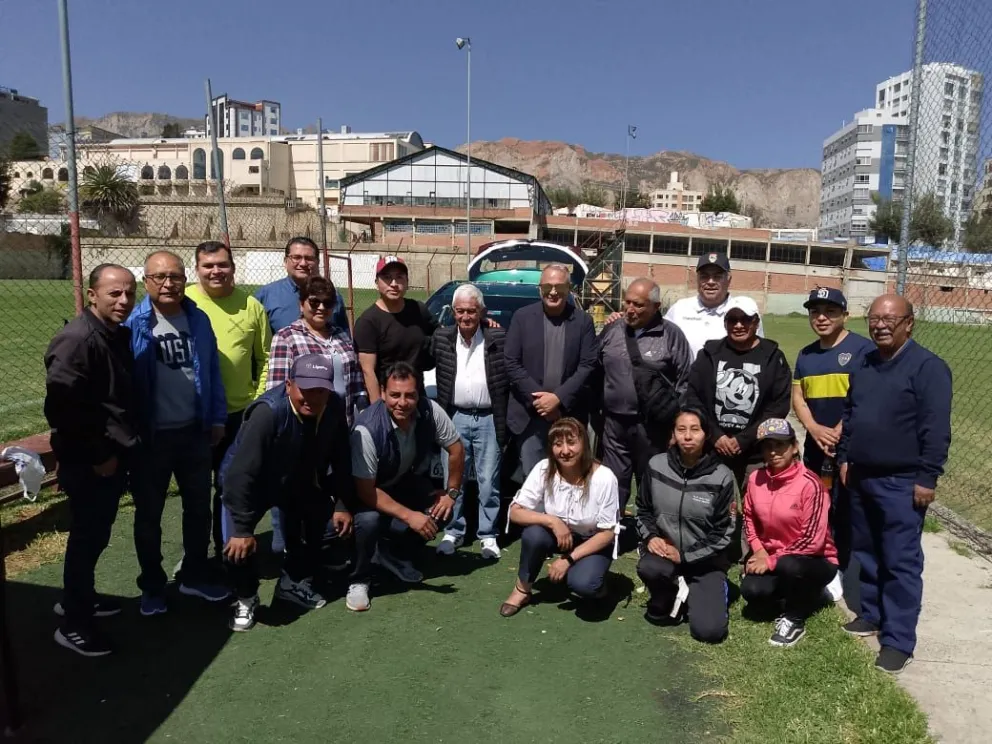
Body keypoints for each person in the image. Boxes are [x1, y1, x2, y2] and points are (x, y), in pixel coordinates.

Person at [837, 294, 952, 675]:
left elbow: (935, 430)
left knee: (900, 561)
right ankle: (871, 614)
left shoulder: (928, 368)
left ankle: (898, 639)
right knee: (867, 552)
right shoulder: (865, 362)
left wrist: (927, 478)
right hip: (862, 475)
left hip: (902, 482)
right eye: (874, 318)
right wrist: (845, 458)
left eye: (890, 318)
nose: (880, 325)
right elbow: (850, 415)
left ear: (909, 323)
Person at [125, 251, 231, 616]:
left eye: (175, 276)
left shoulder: (197, 318)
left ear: (185, 279)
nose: (168, 283)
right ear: (146, 281)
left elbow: (213, 373)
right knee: (149, 515)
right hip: (151, 438)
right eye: (159, 277)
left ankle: (195, 574)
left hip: (193, 433)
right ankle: (152, 586)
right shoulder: (134, 323)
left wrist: (216, 418)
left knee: (198, 509)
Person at [220, 355, 355, 632]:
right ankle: (246, 597)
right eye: (305, 390)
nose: (312, 398)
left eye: (319, 390)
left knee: (318, 526)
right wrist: (243, 530)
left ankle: (291, 582)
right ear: (289, 384)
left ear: (329, 388)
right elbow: (240, 474)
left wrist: (342, 503)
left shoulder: (333, 407)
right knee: (235, 546)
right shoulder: (268, 413)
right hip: (247, 485)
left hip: (293, 478)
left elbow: (341, 457)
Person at [45, 264, 137, 657]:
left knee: (96, 535)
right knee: (86, 538)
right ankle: (74, 624)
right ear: (93, 293)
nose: (124, 301)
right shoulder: (77, 340)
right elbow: (62, 409)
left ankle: (78, 598)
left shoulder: (115, 334)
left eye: (130, 293)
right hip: (91, 460)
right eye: (114, 293)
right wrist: (99, 455)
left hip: (112, 454)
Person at [347, 362, 465, 612]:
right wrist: (411, 516)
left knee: (442, 509)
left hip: (400, 483)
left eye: (410, 395)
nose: (403, 402)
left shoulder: (430, 410)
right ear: (382, 392)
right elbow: (366, 492)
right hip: (364, 494)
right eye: (395, 395)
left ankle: (394, 554)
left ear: (418, 393)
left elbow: (456, 449)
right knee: (369, 522)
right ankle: (360, 579)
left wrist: (451, 493)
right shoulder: (367, 428)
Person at [185, 241, 271, 558]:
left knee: (231, 487)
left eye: (222, 264)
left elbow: (265, 359)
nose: (216, 271)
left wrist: (256, 401)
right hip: (192, 416)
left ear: (233, 268)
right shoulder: (184, 302)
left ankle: (228, 551)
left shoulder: (251, 306)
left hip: (238, 415)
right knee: (195, 493)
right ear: (197, 270)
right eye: (208, 266)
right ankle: (195, 556)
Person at [499, 418, 619, 617]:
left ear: (584, 444)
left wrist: (568, 560)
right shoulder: (544, 469)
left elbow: (607, 533)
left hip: (592, 539)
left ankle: (598, 585)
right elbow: (515, 511)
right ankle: (522, 590)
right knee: (533, 535)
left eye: (571, 443)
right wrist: (552, 521)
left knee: (584, 585)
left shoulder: (605, 478)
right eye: (557, 444)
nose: (565, 450)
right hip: (558, 535)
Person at [635, 408, 735, 644]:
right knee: (648, 567)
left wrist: (686, 556)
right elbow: (643, 510)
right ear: (673, 434)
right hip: (665, 554)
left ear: (706, 435)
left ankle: (708, 590)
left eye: (695, 430)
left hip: (705, 563)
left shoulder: (722, 476)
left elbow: (724, 532)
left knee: (709, 632)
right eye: (681, 430)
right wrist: (650, 537)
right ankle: (669, 592)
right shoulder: (656, 465)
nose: (687, 436)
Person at [792, 287, 873, 573]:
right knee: (817, 502)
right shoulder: (806, 355)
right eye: (815, 312)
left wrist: (838, 430)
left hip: (849, 444)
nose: (822, 318)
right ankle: (818, 558)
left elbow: (864, 397)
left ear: (845, 316)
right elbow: (798, 398)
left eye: (830, 312)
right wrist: (813, 428)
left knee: (847, 506)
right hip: (817, 443)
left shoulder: (863, 350)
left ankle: (840, 565)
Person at [596, 277, 693, 511]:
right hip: (614, 424)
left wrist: (677, 427)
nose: (630, 309)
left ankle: (650, 536)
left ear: (656, 307)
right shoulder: (612, 328)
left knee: (652, 482)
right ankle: (611, 533)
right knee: (613, 481)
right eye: (627, 302)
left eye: (638, 304)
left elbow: (686, 383)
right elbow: (594, 367)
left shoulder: (671, 335)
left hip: (653, 428)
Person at [741, 418, 839, 648]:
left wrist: (771, 561)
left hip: (816, 560)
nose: (773, 451)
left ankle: (794, 620)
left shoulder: (810, 484)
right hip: (774, 557)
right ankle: (808, 595)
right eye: (767, 446)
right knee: (752, 591)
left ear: (794, 447)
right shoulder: (756, 479)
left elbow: (812, 541)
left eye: (780, 444)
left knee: (790, 566)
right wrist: (759, 551)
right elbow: (748, 517)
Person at [431, 283, 509, 560]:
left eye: (472, 311)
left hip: (489, 418)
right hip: (454, 418)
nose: (466, 316)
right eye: (460, 311)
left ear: (481, 312)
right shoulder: (441, 337)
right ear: (452, 312)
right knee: (455, 479)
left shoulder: (498, 336)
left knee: (489, 481)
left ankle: (488, 535)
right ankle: (453, 531)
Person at [682, 296, 791, 489]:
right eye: (732, 320)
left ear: (756, 322)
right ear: (725, 323)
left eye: (745, 319)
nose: (738, 325)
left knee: (756, 509)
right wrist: (716, 435)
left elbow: (778, 406)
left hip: (755, 451)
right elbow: (693, 397)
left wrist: (744, 439)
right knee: (710, 506)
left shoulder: (773, 356)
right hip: (712, 448)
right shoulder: (709, 353)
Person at [504, 263, 598, 475]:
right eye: (547, 287)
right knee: (534, 480)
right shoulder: (522, 317)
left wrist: (558, 399)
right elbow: (511, 362)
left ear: (569, 289)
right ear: (539, 289)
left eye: (560, 287)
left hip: (568, 415)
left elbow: (587, 365)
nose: (553, 292)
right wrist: (540, 402)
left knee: (568, 481)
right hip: (530, 417)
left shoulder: (583, 322)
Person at [267, 275, 365, 426]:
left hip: (344, 424)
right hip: (306, 425)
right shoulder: (286, 337)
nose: (321, 308)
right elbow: (277, 390)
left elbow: (356, 378)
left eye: (327, 303)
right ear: (301, 304)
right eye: (314, 302)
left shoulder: (342, 336)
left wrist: (363, 408)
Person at [354, 255, 438, 402]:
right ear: (376, 283)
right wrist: (377, 409)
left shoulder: (418, 310)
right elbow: (368, 371)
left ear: (407, 282)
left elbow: (443, 333)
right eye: (387, 277)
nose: (393, 283)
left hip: (417, 396)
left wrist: (482, 323)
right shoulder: (368, 322)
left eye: (399, 277)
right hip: (388, 400)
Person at [664, 252, 764, 359]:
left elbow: (758, 353)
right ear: (697, 279)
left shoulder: (744, 312)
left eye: (717, 276)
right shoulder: (679, 309)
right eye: (704, 276)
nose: (710, 282)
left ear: (728, 279)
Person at [255, 236, 351, 338]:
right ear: (285, 261)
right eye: (296, 257)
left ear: (318, 262)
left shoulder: (333, 295)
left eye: (309, 258)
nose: (303, 263)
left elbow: (344, 337)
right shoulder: (266, 295)